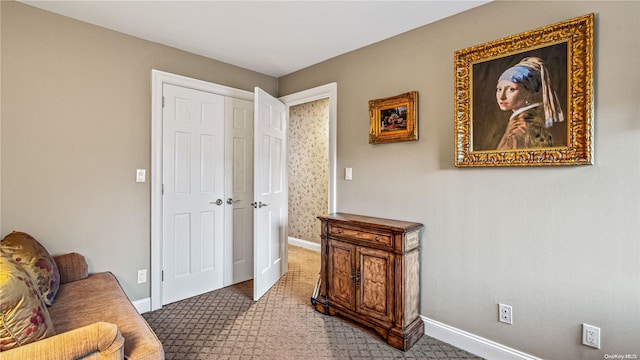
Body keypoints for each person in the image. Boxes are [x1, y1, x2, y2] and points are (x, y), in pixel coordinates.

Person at [495, 57, 564, 150]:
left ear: (528, 92)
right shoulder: (531, 119)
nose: (502, 96)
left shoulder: (521, 129)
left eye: (511, 89)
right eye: (499, 89)